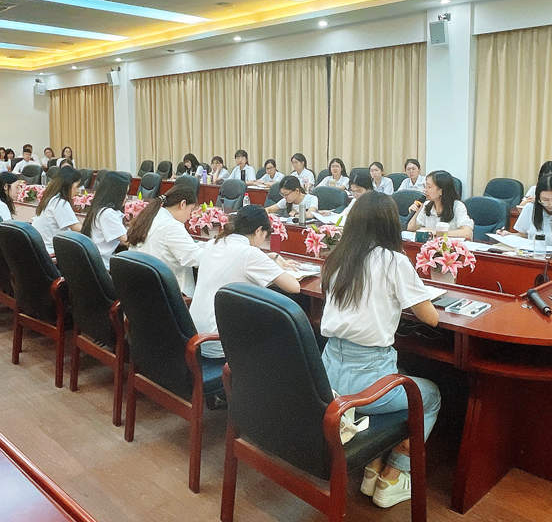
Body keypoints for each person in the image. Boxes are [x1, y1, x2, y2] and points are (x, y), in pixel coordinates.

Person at [320, 191, 441, 508]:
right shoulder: (394, 261)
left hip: (327, 380)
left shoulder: (337, 258)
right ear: (390, 225)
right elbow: (431, 318)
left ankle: (373, 464)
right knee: (430, 395)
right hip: (367, 386)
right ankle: (395, 474)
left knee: (402, 374)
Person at [190, 205, 301, 359]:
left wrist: (273, 257)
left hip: (195, 334)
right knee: (285, 327)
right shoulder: (249, 253)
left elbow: (237, 260)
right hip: (221, 342)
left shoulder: (214, 243)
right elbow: (294, 287)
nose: (263, 241)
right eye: (265, 236)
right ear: (259, 230)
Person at [128, 184, 206, 297]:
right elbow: (194, 258)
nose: (189, 217)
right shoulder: (171, 226)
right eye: (191, 210)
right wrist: (217, 250)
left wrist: (206, 246)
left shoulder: (151, 216)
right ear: (183, 204)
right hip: (169, 293)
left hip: (143, 288)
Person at [81, 172, 130, 269]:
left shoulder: (98, 207)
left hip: (94, 262)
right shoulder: (107, 213)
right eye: (125, 194)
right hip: (103, 266)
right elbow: (127, 241)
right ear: (115, 194)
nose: (127, 197)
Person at [407, 171, 474, 239]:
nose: (425, 190)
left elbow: (468, 233)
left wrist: (438, 233)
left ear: (441, 191)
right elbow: (410, 228)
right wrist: (417, 210)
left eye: (429, 187)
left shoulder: (458, 206)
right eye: (425, 186)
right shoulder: (426, 205)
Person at [31, 167, 83, 254]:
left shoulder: (51, 198)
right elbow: (77, 228)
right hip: (51, 252)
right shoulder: (60, 202)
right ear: (68, 185)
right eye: (77, 187)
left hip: (41, 248)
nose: (78, 191)